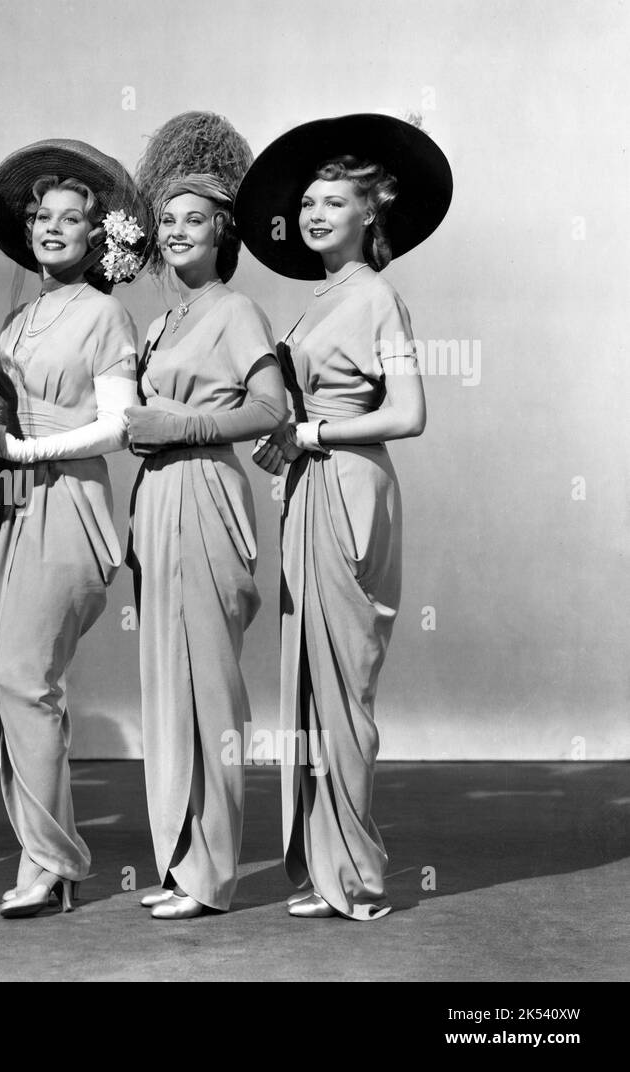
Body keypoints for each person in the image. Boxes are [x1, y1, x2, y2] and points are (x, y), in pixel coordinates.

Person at [235, 113, 452, 920]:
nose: (318, 213)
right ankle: (330, 868)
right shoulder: (318, 300)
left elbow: (410, 413)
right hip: (309, 488)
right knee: (314, 682)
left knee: (346, 686)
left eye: (336, 202)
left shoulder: (378, 298)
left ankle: (358, 875)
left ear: (372, 213)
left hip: (352, 489)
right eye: (312, 203)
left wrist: (312, 432)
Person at [0, 139, 150, 918]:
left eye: (71, 219)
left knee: (23, 679)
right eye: (42, 216)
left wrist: (28, 448)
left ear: (97, 238)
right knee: (22, 687)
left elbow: (119, 427)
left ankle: (52, 860)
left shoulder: (106, 313)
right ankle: (47, 852)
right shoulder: (17, 317)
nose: (51, 228)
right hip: (8, 507)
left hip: (70, 504)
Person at [126, 113, 288, 920]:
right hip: (155, 500)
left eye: (196, 219)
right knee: (165, 682)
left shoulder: (237, 311)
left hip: (205, 496)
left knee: (208, 685)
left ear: (225, 232)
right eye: (169, 219)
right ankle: (180, 858)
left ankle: (212, 871)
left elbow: (269, 407)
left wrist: (180, 425)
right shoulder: (160, 324)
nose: (179, 230)